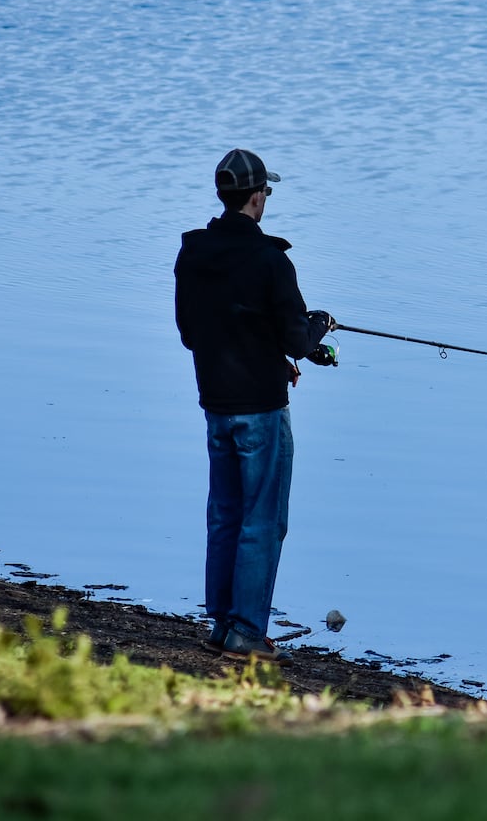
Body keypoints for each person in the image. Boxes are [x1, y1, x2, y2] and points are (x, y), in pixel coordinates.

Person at [174, 148, 337, 662]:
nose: (265, 198)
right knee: (263, 520)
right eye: (265, 191)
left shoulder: (193, 253)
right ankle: (246, 633)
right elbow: (295, 339)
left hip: (215, 404)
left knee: (224, 513)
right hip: (262, 410)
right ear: (255, 197)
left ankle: (222, 625)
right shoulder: (272, 260)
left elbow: (188, 333)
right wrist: (320, 327)